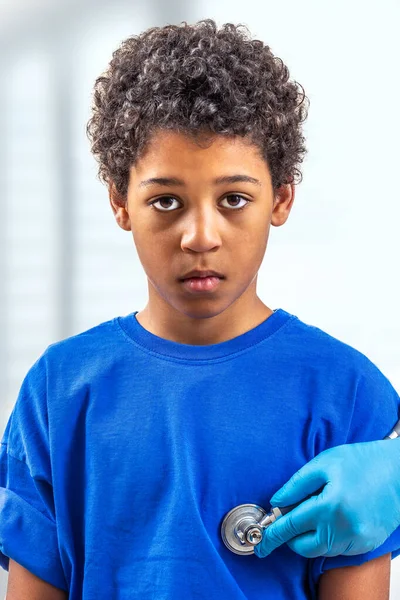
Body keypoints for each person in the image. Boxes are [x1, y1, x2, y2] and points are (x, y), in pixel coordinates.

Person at [0, 18, 399, 600]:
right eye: (166, 200)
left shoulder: (347, 394)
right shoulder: (59, 391)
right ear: (119, 201)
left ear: (282, 197)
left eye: (234, 198)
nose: (200, 236)